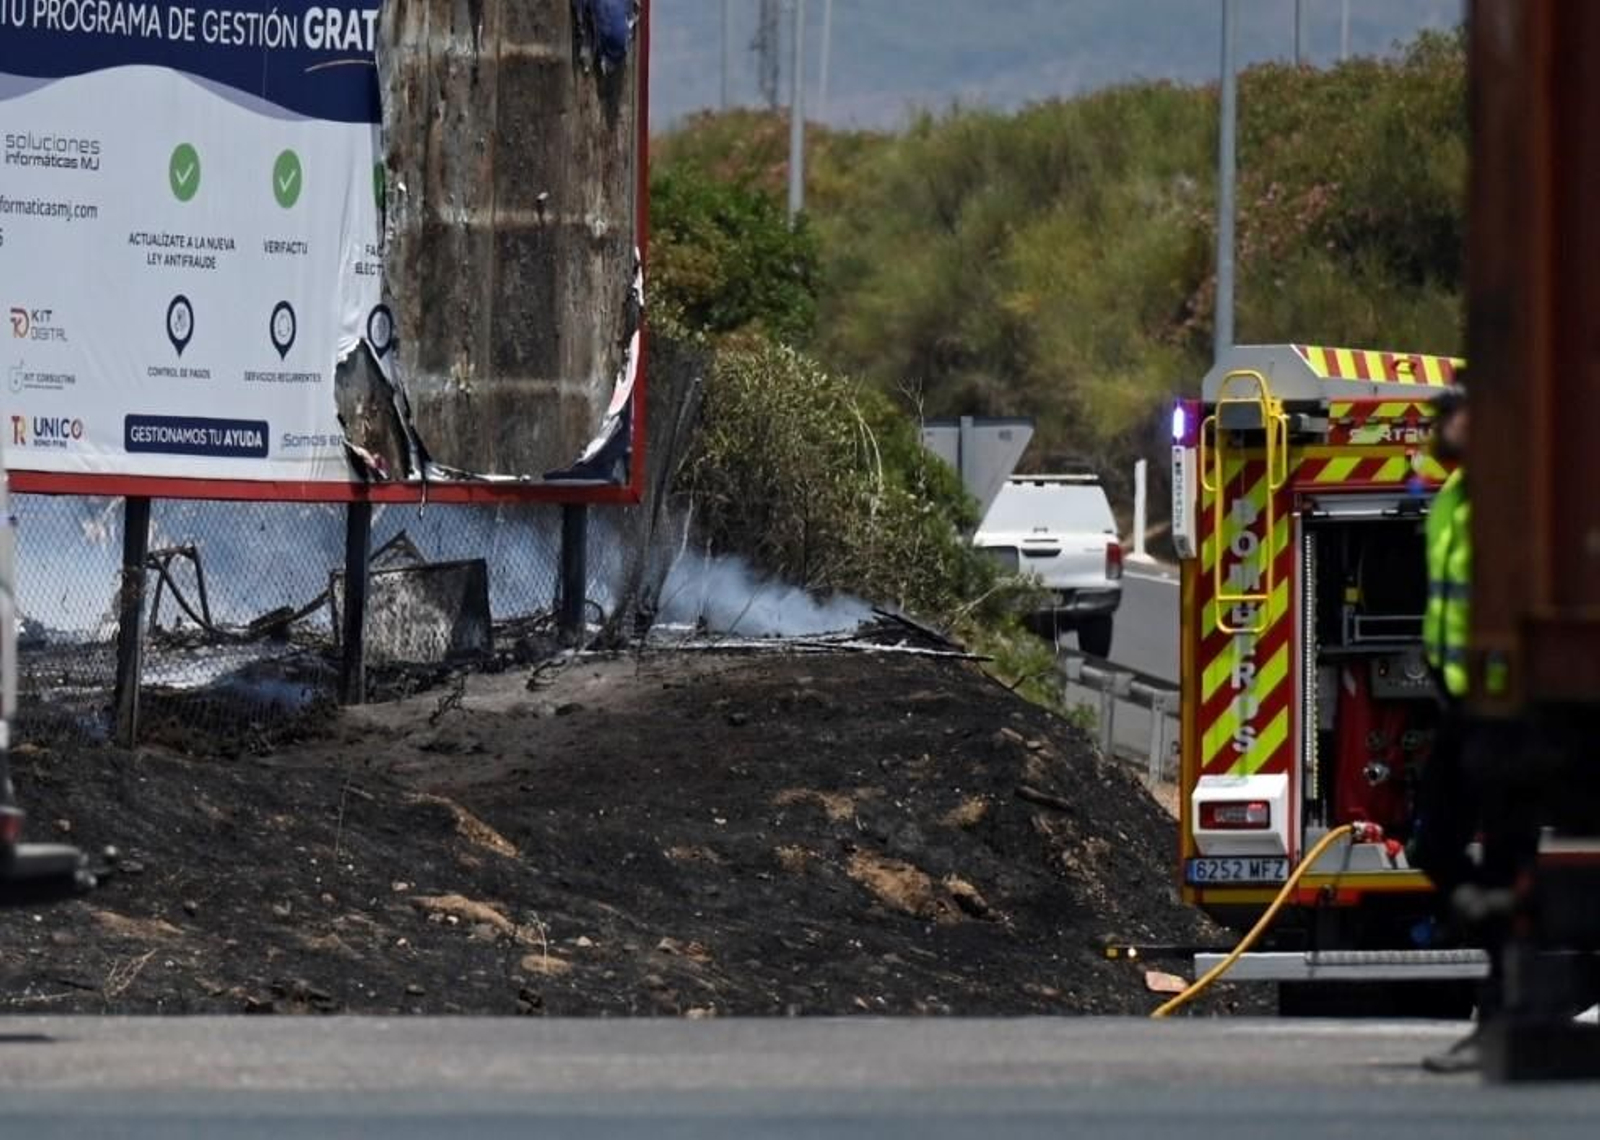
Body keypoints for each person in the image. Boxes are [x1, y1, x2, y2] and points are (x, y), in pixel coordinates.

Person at [1409, 381, 1487, 1073]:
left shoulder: (1504, 500)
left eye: (1452, 414)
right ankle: (1506, 933)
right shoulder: (1450, 500)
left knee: (1509, 853)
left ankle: (1507, 1015)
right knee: (1432, 844)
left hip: (1504, 707)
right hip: (1461, 707)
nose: (1441, 424)